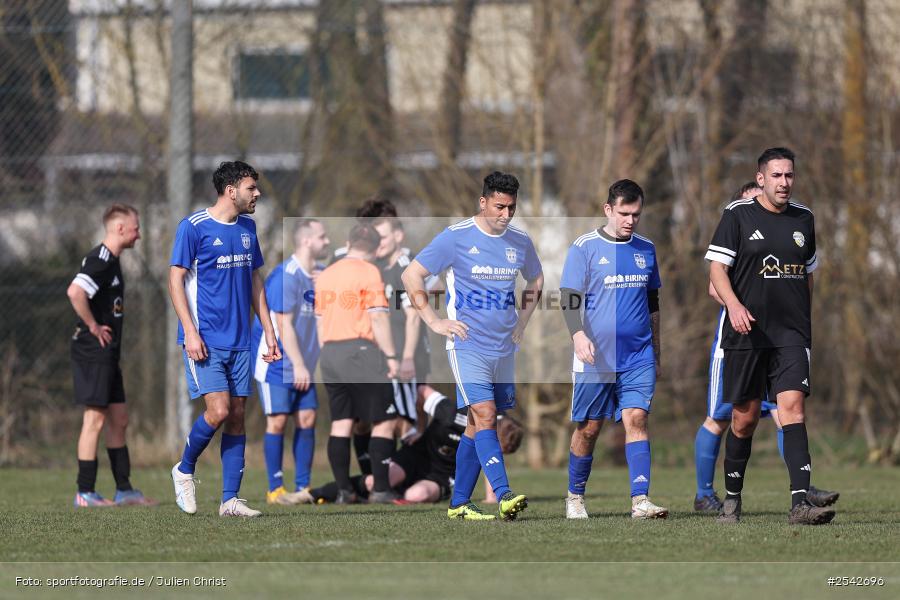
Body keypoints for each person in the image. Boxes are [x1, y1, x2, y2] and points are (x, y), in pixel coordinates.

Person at [402, 171, 544, 521]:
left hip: (504, 349)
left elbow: (537, 279)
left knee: (472, 425)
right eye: (499, 207)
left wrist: (522, 322)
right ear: (483, 202)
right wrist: (435, 322)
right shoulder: (455, 238)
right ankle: (504, 494)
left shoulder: (520, 242)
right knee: (485, 415)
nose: (505, 215)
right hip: (466, 346)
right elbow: (411, 276)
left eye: (511, 208)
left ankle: (459, 503)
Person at [705, 147, 834, 525]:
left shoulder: (804, 218)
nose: (784, 182)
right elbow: (716, 269)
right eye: (776, 176)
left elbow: (809, 272)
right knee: (743, 420)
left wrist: (801, 318)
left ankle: (799, 504)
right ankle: (731, 499)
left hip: (791, 335)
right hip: (746, 334)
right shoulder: (737, 215)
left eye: (789, 175)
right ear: (760, 178)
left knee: (793, 409)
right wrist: (734, 306)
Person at [169, 161, 281, 518]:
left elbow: (255, 282)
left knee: (236, 416)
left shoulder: (248, 228)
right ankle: (184, 469)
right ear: (231, 191)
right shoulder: (193, 228)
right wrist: (189, 330)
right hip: (204, 339)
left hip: (241, 341)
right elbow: (175, 281)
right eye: (251, 188)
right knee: (216, 411)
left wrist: (270, 331)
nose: (257, 194)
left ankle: (229, 500)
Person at [560, 179, 667, 520]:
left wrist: (657, 353)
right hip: (595, 358)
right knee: (590, 428)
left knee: (636, 419)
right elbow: (568, 298)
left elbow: (653, 305)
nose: (630, 220)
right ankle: (575, 498)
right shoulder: (584, 248)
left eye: (636, 214)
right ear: (608, 209)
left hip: (638, 356)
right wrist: (577, 335)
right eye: (623, 213)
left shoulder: (646, 249)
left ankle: (640, 501)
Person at [67, 204, 155, 507]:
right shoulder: (100, 259)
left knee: (120, 418)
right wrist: (93, 326)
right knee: (94, 419)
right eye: (136, 228)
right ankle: (85, 492)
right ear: (120, 229)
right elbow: (75, 292)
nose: (139, 234)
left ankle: (124, 489)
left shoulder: (114, 261)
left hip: (109, 353)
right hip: (93, 351)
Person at [300, 391, 524, 504]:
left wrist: (491, 498)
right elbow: (421, 391)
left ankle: (372, 497)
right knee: (373, 481)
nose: (495, 454)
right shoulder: (452, 411)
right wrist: (416, 427)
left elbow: (489, 461)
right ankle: (316, 494)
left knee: (416, 495)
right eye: (500, 450)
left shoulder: (494, 424)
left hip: (442, 475)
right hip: (416, 456)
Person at [315, 223, 400, 504]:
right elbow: (377, 317)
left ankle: (344, 490)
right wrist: (390, 356)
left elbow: (318, 321)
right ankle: (381, 490)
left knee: (341, 422)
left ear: (349, 243)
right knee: (385, 420)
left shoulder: (326, 274)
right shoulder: (370, 271)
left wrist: (325, 352)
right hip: (360, 350)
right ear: (375, 249)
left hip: (329, 352)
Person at [251, 219, 330, 505]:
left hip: (302, 365)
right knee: (278, 421)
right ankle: (275, 489)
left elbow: (324, 320)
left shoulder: (321, 275)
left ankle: (303, 487)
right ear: (307, 241)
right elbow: (283, 326)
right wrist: (298, 365)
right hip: (277, 362)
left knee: (307, 418)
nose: (327, 242)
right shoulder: (286, 276)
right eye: (323, 237)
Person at [371, 215, 431, 430]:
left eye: (383, 237)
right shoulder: (376, 266)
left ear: (398, 236)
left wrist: (407, 357)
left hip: (409, 354)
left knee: (413, 414)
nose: (378, 242)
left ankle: (417, 461)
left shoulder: (406, 266)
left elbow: (414, 315)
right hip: (386, 355)